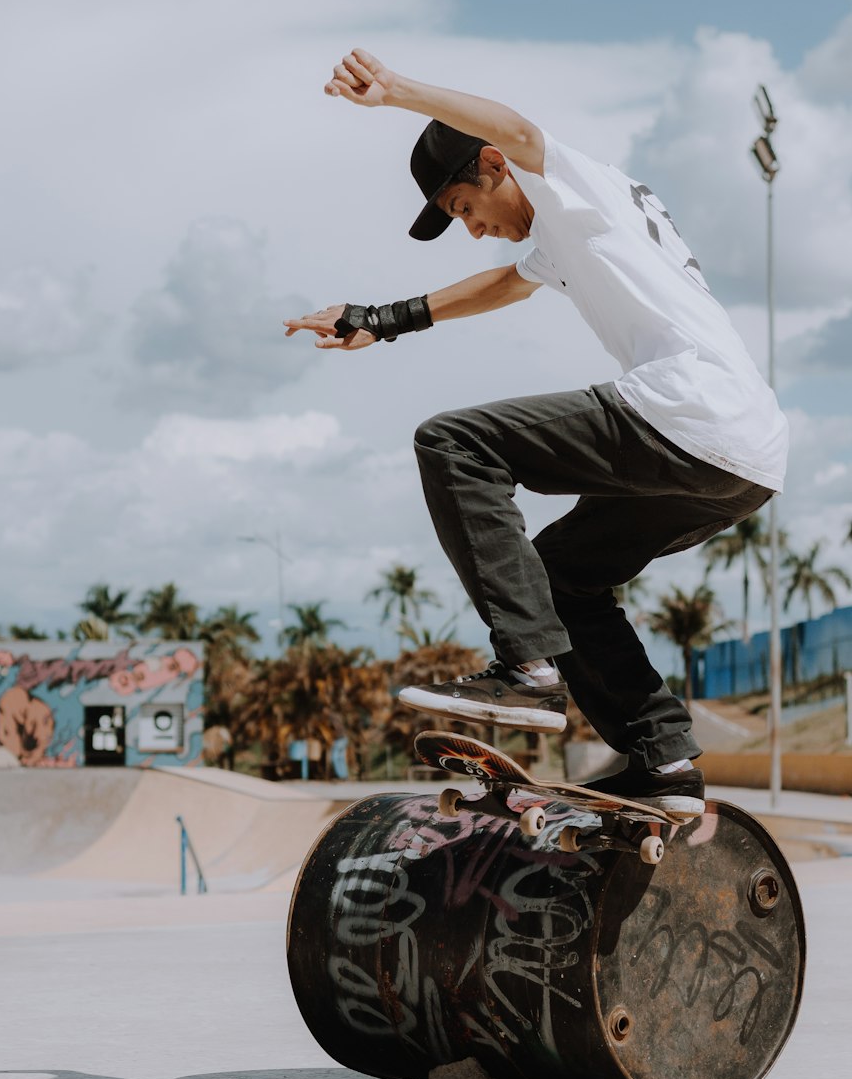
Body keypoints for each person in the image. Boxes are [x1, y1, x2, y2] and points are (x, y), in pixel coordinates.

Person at [283, 49, 787, 815]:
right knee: (562, 576)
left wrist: (397, 94)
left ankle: (526, 670)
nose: (476, 230)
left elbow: (516, 126)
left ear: (493, 166)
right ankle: (666, 759)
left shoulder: (569, 180)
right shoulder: (571, 228)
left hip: (688, 411)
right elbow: (507, 284)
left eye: (463, 209)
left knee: (454, 443)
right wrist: (380, 321)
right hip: (744, 459)